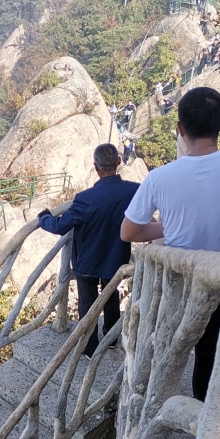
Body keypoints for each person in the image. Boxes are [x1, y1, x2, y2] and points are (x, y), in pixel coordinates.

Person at [120, 86, 220, 400]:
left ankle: (154, 407)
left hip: (178, 280)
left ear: (180, 129)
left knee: (168, 347)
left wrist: (169, 226)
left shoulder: (159, 177)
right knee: (210, 354)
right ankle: (204, 416)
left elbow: (129, 232)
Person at [39, 142, 139, 355]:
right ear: (119, 162)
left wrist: (44, 217)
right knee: (111, 297)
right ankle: (111, 339)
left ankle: (90, 347)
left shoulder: (85, 199)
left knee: (88, 305)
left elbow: (60, 226)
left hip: (88, 260)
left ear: (96, 167)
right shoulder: (133, 190)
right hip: (116, 257)